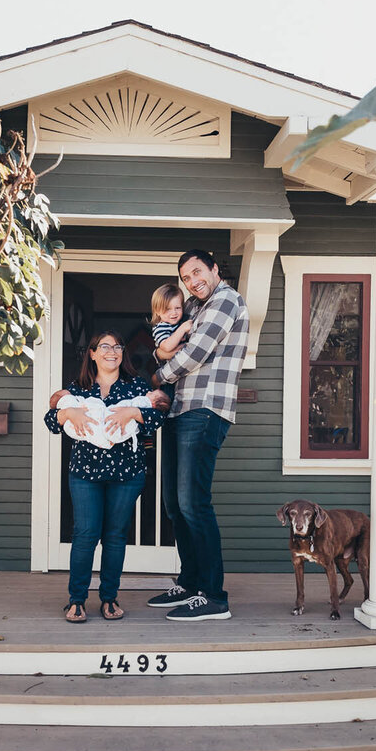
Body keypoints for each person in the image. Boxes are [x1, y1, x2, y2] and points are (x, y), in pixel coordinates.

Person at [148, 249, 249, 622]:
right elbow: (169, 345)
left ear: (214, 269)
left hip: (206, 409)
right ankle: (190, 583)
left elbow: (195, 355)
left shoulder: (225, 300)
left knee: (194, 504)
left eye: (197, 272)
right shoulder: (192, 306)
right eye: (186, 277)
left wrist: (158, 377)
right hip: (180, 410)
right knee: (175, 505)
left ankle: (213, 595)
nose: (192, 281)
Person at [44, 331, 167, 623]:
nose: (112, 351)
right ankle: (76, 600)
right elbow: (51, 420)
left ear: (122, 354)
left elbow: (158, 417)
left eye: (117, 346)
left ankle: (109, 598)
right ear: (93, 354)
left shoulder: (136, 385)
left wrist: (133, 412)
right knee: (85, 535)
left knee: (114, 536)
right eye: (105, 346)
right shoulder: (79, 388)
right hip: (85, 473)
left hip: (126, 474)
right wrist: (68, 415)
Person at [149, 283, 191, 402]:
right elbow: (166, 346)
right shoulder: (160, 327)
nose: (173, 313)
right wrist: (182, 329)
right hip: (167, 378)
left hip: (179, 375)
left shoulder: (177, 324)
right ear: (157, 311)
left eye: (177, 308)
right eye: (167, 309)